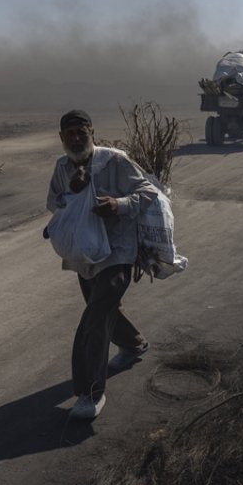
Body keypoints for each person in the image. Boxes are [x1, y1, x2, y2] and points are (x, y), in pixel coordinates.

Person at [46, 109, 156, 420]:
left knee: (94, 318)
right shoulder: (62, 167)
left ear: (92, 132)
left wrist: (119, 205)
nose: (76, 139)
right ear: (61, 137)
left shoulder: (114, 161)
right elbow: (53, 202)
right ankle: (134, 344)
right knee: (103, 308)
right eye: (70, 134)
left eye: (81, 132)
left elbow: (148, 191)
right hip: (83, 255)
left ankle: (90, 392)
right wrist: (73, 191)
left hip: (117, 252)